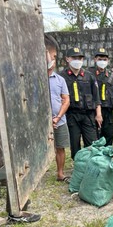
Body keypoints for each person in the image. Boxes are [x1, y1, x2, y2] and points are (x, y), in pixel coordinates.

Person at [59, 47, 102, 160]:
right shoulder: (61, 77)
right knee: (74, 143)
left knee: (92, 142)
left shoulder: (89, 76)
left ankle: (92, 164)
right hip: (72, 115)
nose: (77, 60)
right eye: (74, 57)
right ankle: (78, 165)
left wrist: (98, 114)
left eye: (80, 58)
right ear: (67, 59)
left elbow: (96, 97)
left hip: (88, 114)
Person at [47, 49, 70, 182]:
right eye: (51, 57)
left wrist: (57, 117)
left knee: (60, 147)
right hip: (42, 122)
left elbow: (66, 100)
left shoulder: (60, 80)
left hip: (59, 120)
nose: (52, 61)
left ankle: (60, 173)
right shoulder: (35, 78)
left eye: (54, 58)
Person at [89, 48, 113, 146]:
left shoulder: (111, 75)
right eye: (100, 59)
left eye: (105, 59)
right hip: (94, 109)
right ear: (95, 59)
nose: (102, 62)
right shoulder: (89, 74)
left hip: (108, 110)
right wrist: (98, 112)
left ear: (108, 61)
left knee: (109, 134)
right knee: (96, 136)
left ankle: (107, 155)